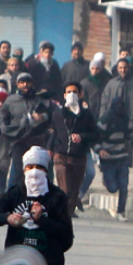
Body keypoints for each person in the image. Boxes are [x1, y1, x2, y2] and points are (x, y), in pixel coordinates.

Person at [0, 146, 73, 265]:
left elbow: (66, 237)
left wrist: (43, 220)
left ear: (46, 170)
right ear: (24, 169)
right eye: (30, 167)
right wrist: (7, 218)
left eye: (39, 167)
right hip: (16, 263)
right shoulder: (14, 194)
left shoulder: (57, 197)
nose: (34, 172)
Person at [47, 82, 99, 217]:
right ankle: (62, 213)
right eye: (69, 92)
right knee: (65, 188)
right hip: (61, 156)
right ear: (64, 95)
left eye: (74, 92)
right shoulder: (58, 113)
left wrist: (82, 137)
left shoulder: (86, 115)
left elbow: (96, 134)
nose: (71, 95)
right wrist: (50, 148)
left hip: (79, 156)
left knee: (74, 189)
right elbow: (54, 132)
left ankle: (68, 211)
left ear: (80, 94)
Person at [0, 72, 53, 188]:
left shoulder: (39, 99)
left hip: (37, 141)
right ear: (17, 84)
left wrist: (43, 117)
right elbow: (3, 119)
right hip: (19, 141)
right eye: (22, 82)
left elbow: (52, 114)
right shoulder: (10, 100)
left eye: (27, 82)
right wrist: (12, 129)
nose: (25, 85)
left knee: (40, 172)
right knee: (19, 173)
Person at [95, 97, 133, 221]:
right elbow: (95, 138)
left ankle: (121, 211)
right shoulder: (105, 120)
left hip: (122, 157)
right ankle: (106, 180)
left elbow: (130, 135)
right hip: (108, 159)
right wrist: (99, 150)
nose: (120, 108)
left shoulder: (125, 120)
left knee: (124, 186)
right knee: (112, 187)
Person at [100, 58, 133, 131]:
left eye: (125, 67)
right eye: (120, 68)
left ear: (129, 68)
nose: (123, 70)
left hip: (131, 121)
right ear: (117, 69)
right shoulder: (111, 83)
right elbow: (104, 102)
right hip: (113, 122)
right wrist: (103, 118)